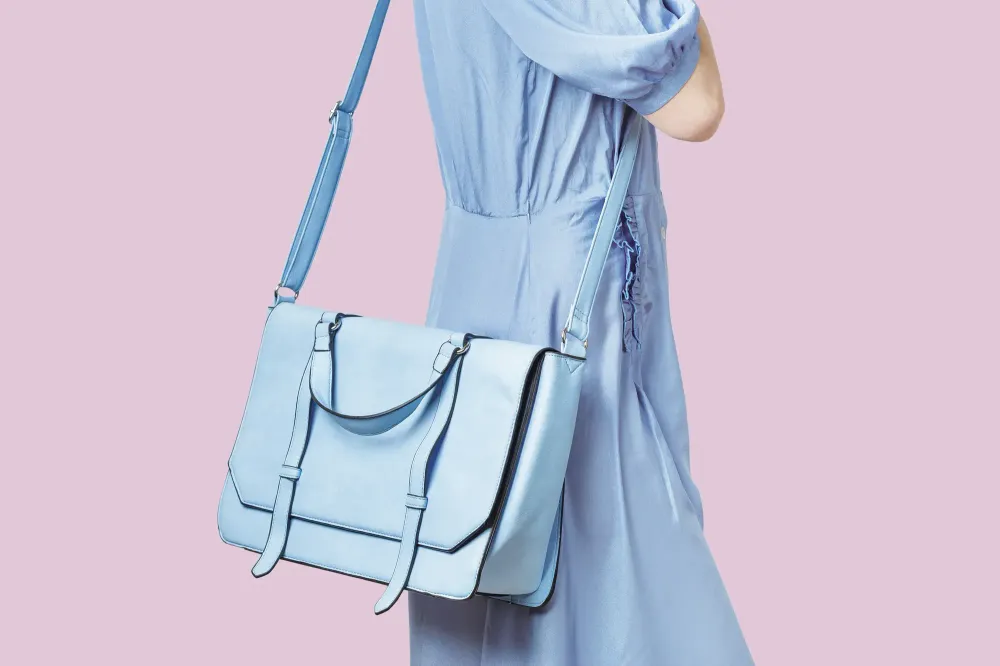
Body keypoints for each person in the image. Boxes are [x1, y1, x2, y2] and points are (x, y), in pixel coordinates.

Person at [409, 1, 753, 663]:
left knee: (493, 598)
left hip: (473, 286)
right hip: (569, 308)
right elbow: (694, 104)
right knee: (619, 599)